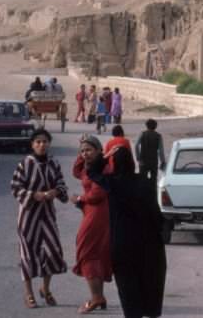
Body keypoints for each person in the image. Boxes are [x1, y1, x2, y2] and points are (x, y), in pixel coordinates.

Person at [89, 147, 167, 318]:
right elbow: (156, 214)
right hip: (148, 243)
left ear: (114, 163)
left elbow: (91, 171)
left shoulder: (112, 182)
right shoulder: (145, 182)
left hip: (122, 243)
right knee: (149, 281)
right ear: (131, 162)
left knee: (127, 285)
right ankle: (151, 312)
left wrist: (104, 157)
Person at [11, 128, 69, 309]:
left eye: (45, 141)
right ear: (32, 144)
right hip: (28, 216)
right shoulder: (25, 164)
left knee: (53, 251)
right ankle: (29, 294)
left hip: (48, 215)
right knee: (28, 253)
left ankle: (45, 288)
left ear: (49, 143)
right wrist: (33, 195)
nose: (42, 145)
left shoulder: (54, 163)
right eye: (38, 142)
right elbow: (15, 187)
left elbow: (61, 184)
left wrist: (55, 192)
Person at [71, 134, 112, 313]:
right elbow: (76, 171)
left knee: (87, 252)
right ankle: (99, 296)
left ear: (98, 150)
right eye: (82, 151)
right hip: (91, 212)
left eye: (89, 150)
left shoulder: (103, 168)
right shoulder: (91, 167)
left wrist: (79, 198)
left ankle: (96, 297)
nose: (85, 154)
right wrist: (82, 151)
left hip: (97, 213)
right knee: (96, 253)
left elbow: (96, 195)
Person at [135, 119, 167, 185]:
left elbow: (136, 146)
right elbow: (161, 151)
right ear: (155, 126)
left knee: (142, 180)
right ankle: (153, 194)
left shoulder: (142, 134)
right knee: (153, 180)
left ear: (146, 126)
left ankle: (143, 194)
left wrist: (138, 158)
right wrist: (163, 161)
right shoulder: (158, 136)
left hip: (143, 161)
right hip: (153, 161)